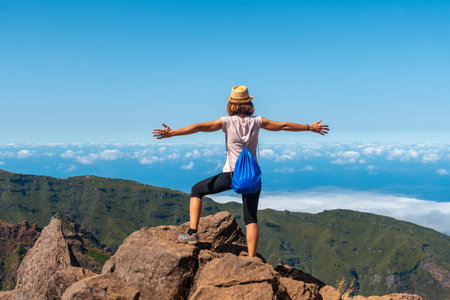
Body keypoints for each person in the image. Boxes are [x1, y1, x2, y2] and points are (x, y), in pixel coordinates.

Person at [152, 85, 329, 257]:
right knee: (251, 218)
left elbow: (200, 127)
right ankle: (252, 259)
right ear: (248, 103)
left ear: (231, 104)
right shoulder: (258, 122)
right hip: (252, 177)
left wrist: (173, 133)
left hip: (231, 174)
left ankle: (192, 234)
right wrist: (309, 127)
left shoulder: (226, 122)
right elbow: (283, 125)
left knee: (196, 190)